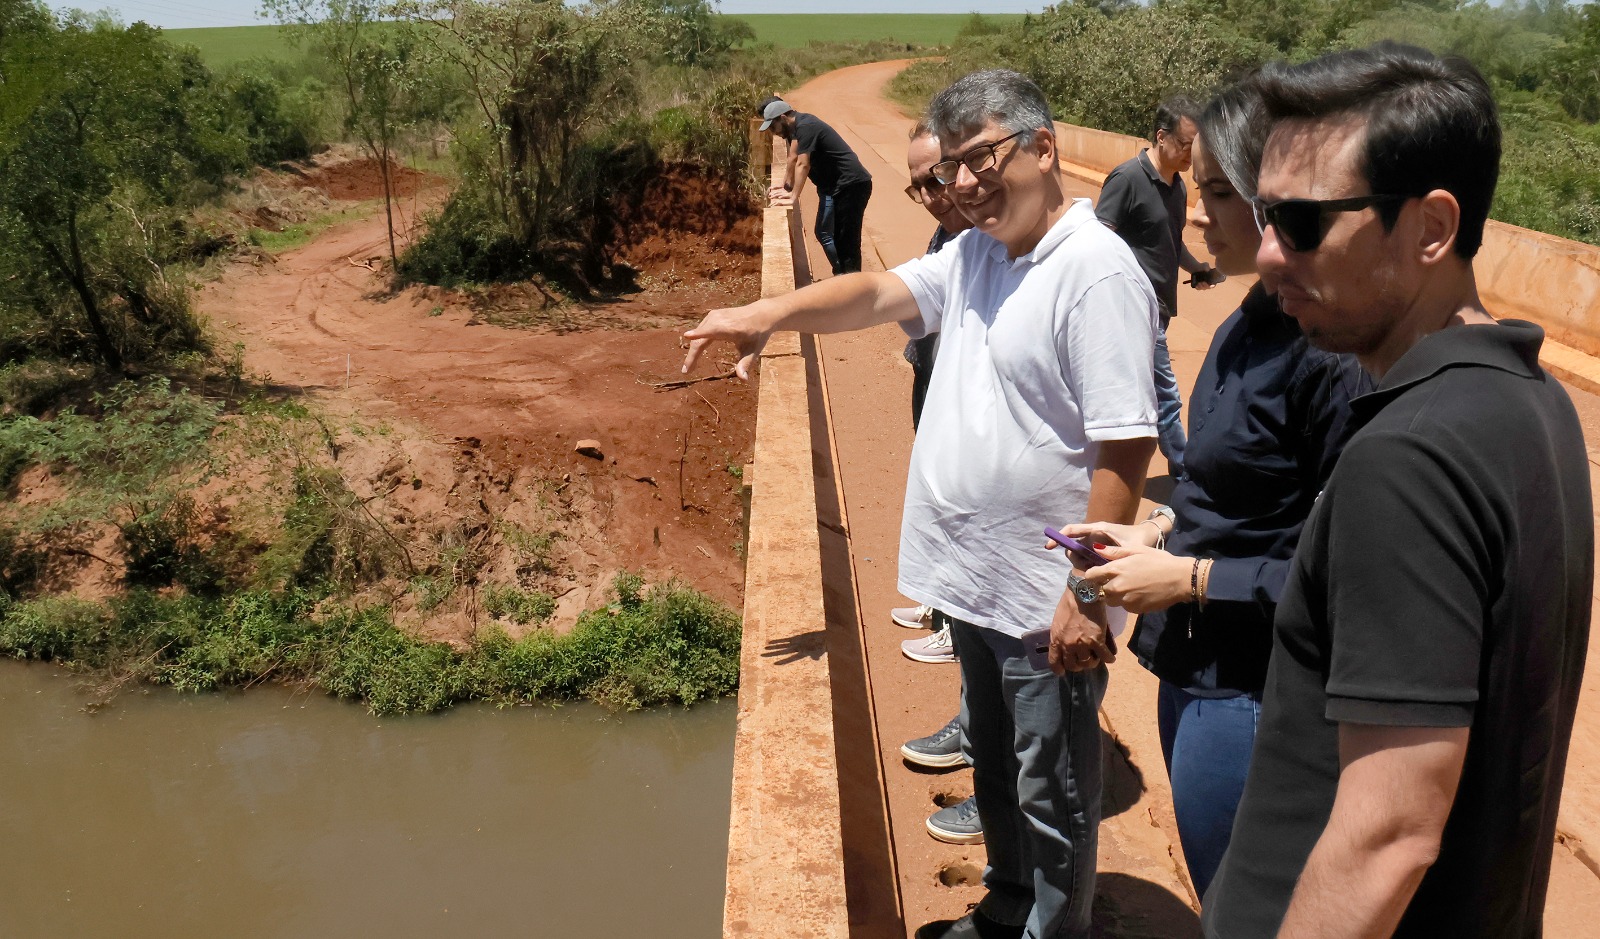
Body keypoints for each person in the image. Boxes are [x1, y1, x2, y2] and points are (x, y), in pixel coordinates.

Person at [690, 70, 1159, 939]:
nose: (967, 183)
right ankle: (1007, 906)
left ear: (1043, 147)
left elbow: (1127, 444)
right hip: (971, 581)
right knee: (995, 770)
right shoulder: (976, 251)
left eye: (982, 158)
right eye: (951, 169)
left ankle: (1056, 926)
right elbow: (872, 294)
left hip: (1039, 594)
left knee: (1051, 786)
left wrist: (1086, 591)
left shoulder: (1094, 271)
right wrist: (769, 310)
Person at [1199, 44, 1592, 938]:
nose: (1266, 255)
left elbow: (1388, 836)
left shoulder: (1406, 457)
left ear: (1430, 227)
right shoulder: (1533, 404)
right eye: (1263, 214)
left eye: (1300, 223)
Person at [1060, 79, 1370, 899]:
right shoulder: (1246, 322)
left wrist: (1191, 578)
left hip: (1255, 688)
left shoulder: (1328, 356)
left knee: (1249, 904)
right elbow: (1235, 498)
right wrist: (1158, 535)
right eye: (1199, 191)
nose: (1196, 217)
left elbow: (1346, 568)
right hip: (1195, 665)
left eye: (1219, 195)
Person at [889, 122, 983, 848]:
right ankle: (974, 727)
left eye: (937, 179)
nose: (930, 196)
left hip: (1002, 506)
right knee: (978, 643)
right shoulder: (952, 246)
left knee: (1022, 685)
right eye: (917, 186)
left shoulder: (1009, 254)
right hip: (958, 473)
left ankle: (997, 788)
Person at [1096, 95, 1220, 478]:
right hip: (1133, 311)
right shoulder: (1127, 179)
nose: (1189, 154)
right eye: (1186, 145)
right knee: (1166, 395)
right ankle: (1186, 472)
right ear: (1161, 137)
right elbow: (1099, 241)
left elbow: (1171, 238)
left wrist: (1196, 267)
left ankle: (1108, 465)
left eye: (1194, 147)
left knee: (1140, 393)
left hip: (1162, 310)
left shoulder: (1178, 187)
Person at [759, 99, 873, 276]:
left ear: (782, 117)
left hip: (852, 185)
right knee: (834, 235)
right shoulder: (798, 126)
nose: (773, 132)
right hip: (838, 187)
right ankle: (845, 277)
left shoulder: (806, 126)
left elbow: (803, 164)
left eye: (773, 127)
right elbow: (793, 157)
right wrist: (786, 187)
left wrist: (793, 196)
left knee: (846, 239)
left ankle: (853, 284)